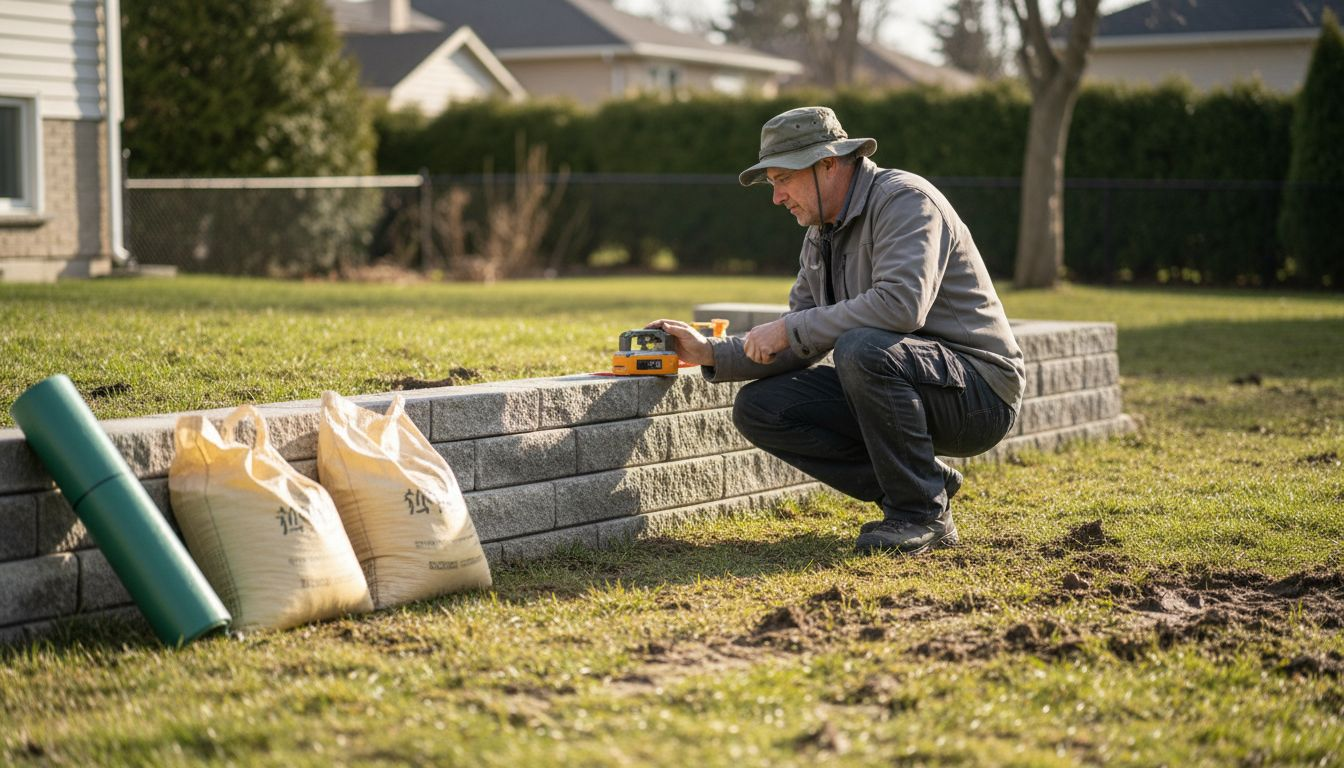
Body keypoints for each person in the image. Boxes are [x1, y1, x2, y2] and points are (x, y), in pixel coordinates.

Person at [649, 106, 1024, 555]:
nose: (777, 197)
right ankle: (923, 484)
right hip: (905, 378)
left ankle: (920, 514)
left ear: (827, 163)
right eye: (771, 183)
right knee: (761, 407)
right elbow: (797, 343)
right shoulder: (820, 234)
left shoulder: (906, 201)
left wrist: (791, 327)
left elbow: (901, 305)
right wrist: (709, 352)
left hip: (979, 392)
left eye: (783, 179)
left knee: (861, 347)